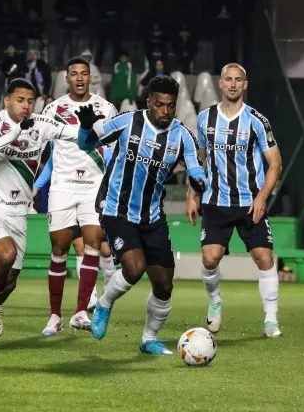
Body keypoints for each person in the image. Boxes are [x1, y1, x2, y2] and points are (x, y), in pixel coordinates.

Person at [76, 75, 208, 355]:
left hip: (152, 216)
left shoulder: (182, 135)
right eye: (159, 105)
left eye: (170, 106)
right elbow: (87, 143)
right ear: (149, 102)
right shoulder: (127, 122)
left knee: (164, 285)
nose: (165, 111)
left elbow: (196, 168)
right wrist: (85, 126)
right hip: (116, 210)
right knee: (134, 269)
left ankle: (148, 338)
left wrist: (199, 182)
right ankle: (104, 304)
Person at [0, 78, 80, 352]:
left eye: (30, 100)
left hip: (19, 213)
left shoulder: (41, 124)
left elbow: (75, 135)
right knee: (6, 255)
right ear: (7, 100)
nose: (26, 106)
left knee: (10, 283)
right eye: (20, 100)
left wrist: (96, 128)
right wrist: (11, 136)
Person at [186, 63, 284, 338]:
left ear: (245, 84)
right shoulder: (205, 118)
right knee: (209, 258)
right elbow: (199, 160)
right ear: (220, 83)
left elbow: (275, 163)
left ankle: (271, 319)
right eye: (227, 79)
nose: (232, 84)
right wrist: (193, 194)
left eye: (237, 80)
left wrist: (263, 197)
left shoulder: (256, 120)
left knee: (264, 258)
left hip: (250, 202)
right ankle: (215, 302)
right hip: (216, 201)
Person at [33, 56, 119, 336]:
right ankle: (55, 315)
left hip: (93, 187)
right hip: (62, 187)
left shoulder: (106, 108)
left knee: (93, 243)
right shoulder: (53, 108)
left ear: (91, 77)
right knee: (59, 249)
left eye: (85, 73)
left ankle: (82, 311)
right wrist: (33, 184)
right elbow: (40, 150)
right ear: (67, 78)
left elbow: (114, 150)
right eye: (74, 74)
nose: (80, 78)